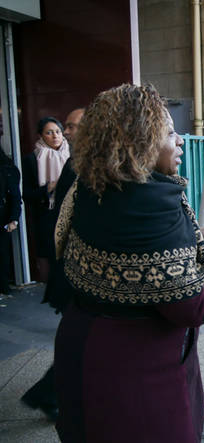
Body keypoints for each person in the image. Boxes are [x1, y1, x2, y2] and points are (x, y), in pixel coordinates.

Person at [53, 83, 204, 442]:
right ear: (139, 141)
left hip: (81, 347)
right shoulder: (152, 202)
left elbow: (132, 256)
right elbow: (190, 306)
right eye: (170, 132)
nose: (179, 140)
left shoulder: (89, 185)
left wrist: (196, 239)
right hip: (135, 371)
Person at [21, 108, 86, 421]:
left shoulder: (78, 163)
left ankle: (51, 393)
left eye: (72, 127)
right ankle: (49, 393)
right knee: (83, 338)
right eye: (66, 127)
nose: (67, 133)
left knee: (82, 337)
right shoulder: (79, 166)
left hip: (77, 269)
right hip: (76, 270)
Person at [22, 117, 70, 282]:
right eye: (49, 132)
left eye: (58, 131)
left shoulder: (73, 155)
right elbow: (26, 194)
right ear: (41, 136)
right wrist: (48, 188)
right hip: (46, 215)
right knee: (51, 255)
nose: (55, 136)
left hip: (72, 213)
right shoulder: (31, 160)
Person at [0, 147, 22, 295]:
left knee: (2, 254)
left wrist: (14, 218)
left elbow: (15, 196)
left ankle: (3, 286)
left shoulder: (6, 169)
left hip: (2, 216)